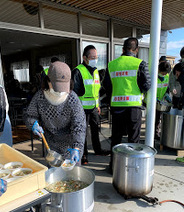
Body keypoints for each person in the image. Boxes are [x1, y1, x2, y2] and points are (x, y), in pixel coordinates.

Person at [103, 37, 151, 171]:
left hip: (117, 108)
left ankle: (113, 167)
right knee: (133, 140)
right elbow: (147, 84)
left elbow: (106, 85)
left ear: (123, 49)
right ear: (136, 50)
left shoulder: (111, 65)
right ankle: (130, 170)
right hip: (134, 107)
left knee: (116, 139)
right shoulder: (140, 63)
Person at [26, 61, 86, 165]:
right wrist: (33, 124)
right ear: (48, 81)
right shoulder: (40, 97)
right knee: (54, 175)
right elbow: (30, 115)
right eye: (56, 86)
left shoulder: (72, 98)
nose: (59, 91)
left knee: (73, 175)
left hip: (71, 146)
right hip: (51, 145)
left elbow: (79, 125)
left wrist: (77, 147)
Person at [72, 45, 110, 165]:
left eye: (96, 57)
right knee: (82, 132)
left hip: (93, 107)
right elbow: (74, 93)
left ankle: (98, 150)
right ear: (85, 57)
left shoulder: (95, 71)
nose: (95, 59)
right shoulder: (78, 71)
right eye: (92, 57)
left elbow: (96, 90)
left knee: (95, 130)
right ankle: (83, 155)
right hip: (81, 109)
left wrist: (97, 105)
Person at [155, 61, 171, 139]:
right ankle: (150, 134)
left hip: (159, 102)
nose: (164, 74)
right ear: (159, 70)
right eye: (163, 72)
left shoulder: (167, 76)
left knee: (158, 118)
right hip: (151, 102)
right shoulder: (153, 75)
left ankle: (156, 134)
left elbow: (167, 87)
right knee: (152, 119)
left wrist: (167, 94)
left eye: (166, 73)